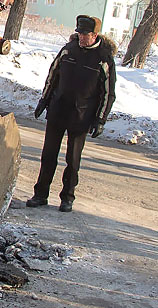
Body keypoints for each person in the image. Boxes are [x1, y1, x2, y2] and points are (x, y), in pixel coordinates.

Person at [28, 15, 116, 212]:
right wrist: (44, 100)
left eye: (85, 34)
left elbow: (108, 93)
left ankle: (67, 197)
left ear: (95, 35)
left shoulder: (104, 58)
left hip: (81, 116)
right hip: (58, 110)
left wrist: (100, 119)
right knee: (48, 155)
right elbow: (52, 75)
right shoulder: (69, 50)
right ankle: (40, 194)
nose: (81, 37)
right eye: (79, 33)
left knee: (73, 160)